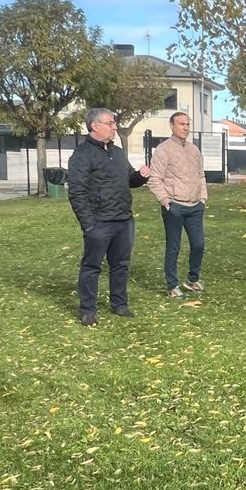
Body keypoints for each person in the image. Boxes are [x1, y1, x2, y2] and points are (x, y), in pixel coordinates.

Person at [67, 107, 151, 326]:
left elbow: (128, 181)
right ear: (95, 126)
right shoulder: (82, 155)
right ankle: (88, 310)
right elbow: (77, 192)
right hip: (99, 222)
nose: (115, 127)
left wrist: (140, 177)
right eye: (110, 123)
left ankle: (120, 304)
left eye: (114, 123)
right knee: (92, 266)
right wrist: (89, 225)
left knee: (121, 264)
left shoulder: (118, 153)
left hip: (123, 219)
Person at [147, 111, 208, 299]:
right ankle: (172, 285)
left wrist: (203, 198)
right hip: (174, 207)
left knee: (199, 244)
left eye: (187, 124)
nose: (185, 128)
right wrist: (166, 202)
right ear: (172, 126)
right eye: (181, 124)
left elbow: (201, 175)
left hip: (195, 206)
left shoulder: (194, 149)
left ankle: (192, 280)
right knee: (174, 247)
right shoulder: (163, 150)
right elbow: (154, 178)